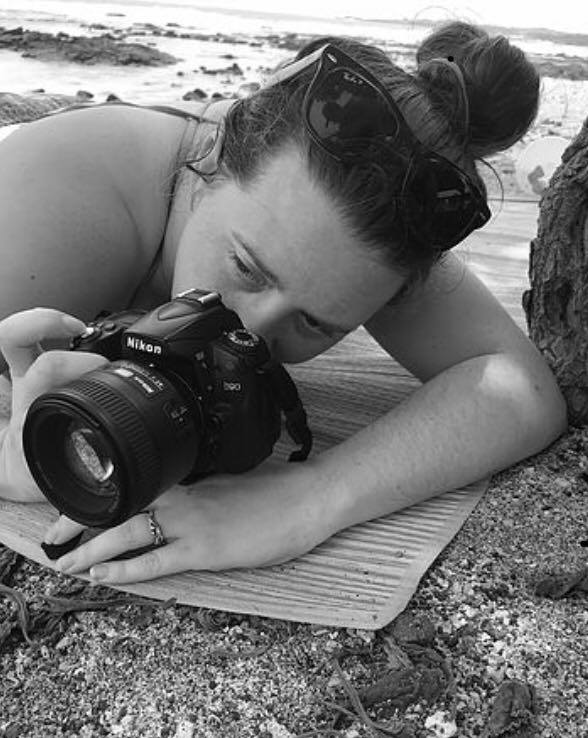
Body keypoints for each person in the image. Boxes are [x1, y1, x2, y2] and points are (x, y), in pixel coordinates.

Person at [0, 21, 567, 584]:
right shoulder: (53, 226)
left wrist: (313, 496)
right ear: (216, 157)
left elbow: (523, 389)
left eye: (316, 323)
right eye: (246, 267)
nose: (247, 331)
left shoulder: (345, 241)